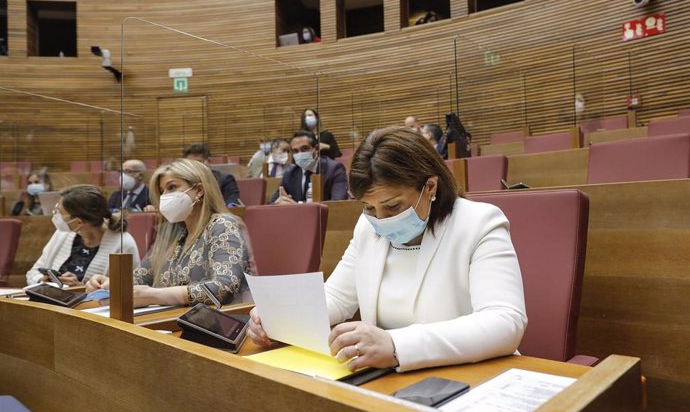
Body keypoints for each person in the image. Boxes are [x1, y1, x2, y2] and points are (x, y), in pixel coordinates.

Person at [250, 126, 527, 372]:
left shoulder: (479, 223)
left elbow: (504, 321)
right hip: (386, 377)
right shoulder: (368, 226)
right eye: (369, 207)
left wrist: (396, 345)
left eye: (393, 206)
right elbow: (337, 296)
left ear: (430, 186)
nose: (380, 220)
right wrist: (279, 317)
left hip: (469, 375)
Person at [86, 159, 255, 307]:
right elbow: (139, 279)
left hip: (222, 325)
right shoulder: (172, 234)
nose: (164, 196)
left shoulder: (223, 225)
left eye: (172, 187)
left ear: (199, 190)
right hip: (176, 320)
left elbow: (223, 287)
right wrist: (108, 284)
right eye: (162, 191)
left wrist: (154, 295)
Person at [26, 185, 140, 286]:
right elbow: (33, 273)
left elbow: (128, 289)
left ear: (79, 222)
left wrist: (80, 287)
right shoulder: (62, 234)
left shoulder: (123, 244)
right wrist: (42, 280)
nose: (55, 215)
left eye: (59, 212)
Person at [270, 131, 348, 204]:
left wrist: (297, 207)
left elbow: (338, 204)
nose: (300, 154)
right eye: (296, 151)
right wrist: (277, 204)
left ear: (316, 149)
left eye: (305, 149)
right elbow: (270, 205)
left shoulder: (334, 169)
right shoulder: (289, 174)